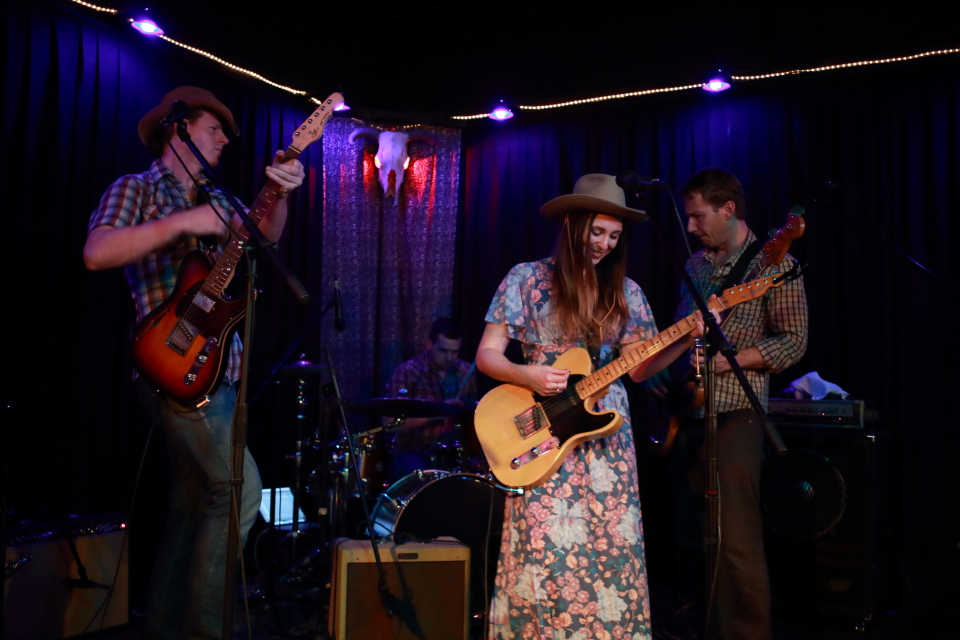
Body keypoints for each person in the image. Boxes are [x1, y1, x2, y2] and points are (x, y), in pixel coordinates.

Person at [83, 86, 305, 640]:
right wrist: (182, 224)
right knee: (238, 493)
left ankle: (165, 627)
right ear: (177, 130)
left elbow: (268, 237)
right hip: (169, 364)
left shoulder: (221, 201)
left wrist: (280, 191)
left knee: (195, 507)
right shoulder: (135, 187)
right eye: (214, 129)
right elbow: (97, 252)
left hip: (219, 371)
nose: (225, 140)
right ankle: (207, 631)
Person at [477, 174, 704, 640]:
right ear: (572, 226)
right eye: (597, 232)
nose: (604, 244)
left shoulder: (627, 291)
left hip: (606, 437)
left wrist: (685, 338)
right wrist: (527, 374)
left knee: (610, 543)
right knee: (547, 545)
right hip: (544, 426)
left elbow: (638, 370)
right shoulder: (526, 278)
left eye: (614, 236)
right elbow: (487, 355)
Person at [661, 167, 808, 640]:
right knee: (691, 534)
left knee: (735, 536)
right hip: (689, 413)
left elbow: (794, 340)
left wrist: (734, 360)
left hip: (737, 411)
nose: (691, 227)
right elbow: (681, 334)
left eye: (698, 216)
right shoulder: (696, 266)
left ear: (728, 209)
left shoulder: (775, 264)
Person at [384, 318, 477, 477]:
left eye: (454, 352)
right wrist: (437, 412)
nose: (449, 358)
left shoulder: (465, 371)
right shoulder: (406, 372)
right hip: (414, 451)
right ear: (429, 344)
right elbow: (390, 424)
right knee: (423, 478)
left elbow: (471, 417)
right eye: (443, 351)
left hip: (454, 452)